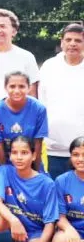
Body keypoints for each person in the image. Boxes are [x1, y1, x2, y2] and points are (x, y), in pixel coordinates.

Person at [38, 22, 84, 178]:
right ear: (62, 42)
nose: (72, 44)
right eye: (69, 39)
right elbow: (41, 102)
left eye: (78, 40)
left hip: (82, 150)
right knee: (56, 194)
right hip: (53, 147)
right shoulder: (49, 67)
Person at [0, 71, 47, 168]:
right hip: (8, 163)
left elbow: (38, 143)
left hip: (31, 163)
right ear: (5, 87)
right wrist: (5, 173)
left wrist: (35, 173)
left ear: (29, 87)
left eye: (21, 86)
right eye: (12, 86)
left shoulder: (38, 109)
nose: (17, 91)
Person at [53, 136, 84, 242]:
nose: (80, 159)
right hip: (73, 232)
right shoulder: (62, 180)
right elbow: (60, 214)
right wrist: (70, 230)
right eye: (76, 154)